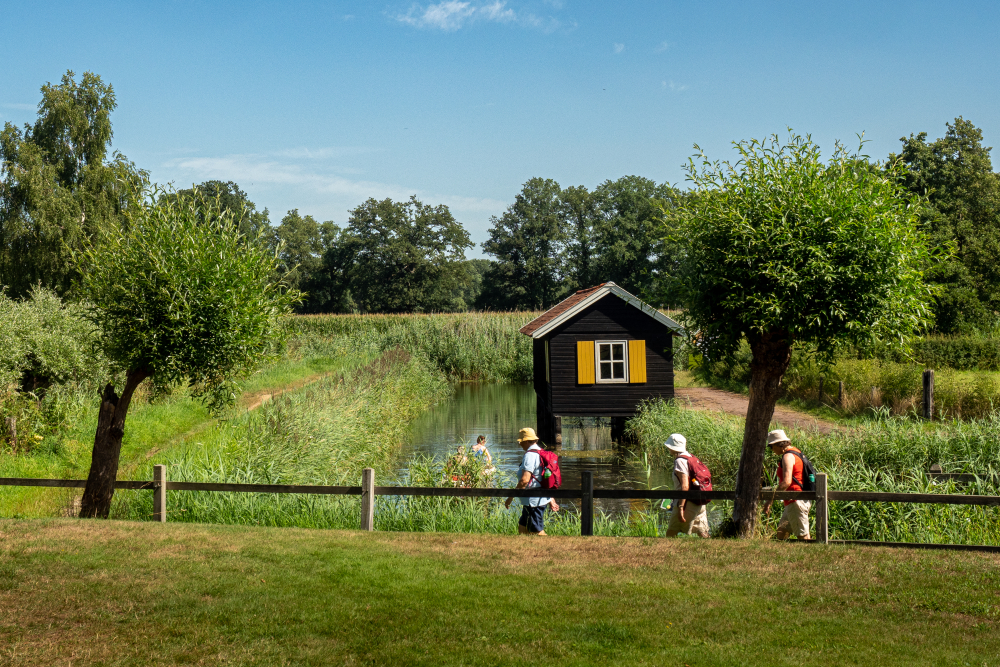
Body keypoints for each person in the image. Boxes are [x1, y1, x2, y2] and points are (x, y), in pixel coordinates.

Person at [504, 427, 559, 535]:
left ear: (527, 441)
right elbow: (542, 477)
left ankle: (551, 548)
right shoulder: (540, 452)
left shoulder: (530, 455)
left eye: (521, 442)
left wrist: (510, 497)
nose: (520, 444)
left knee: (536, 531)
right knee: (522, 528)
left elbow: (524, 480)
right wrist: (550, 498)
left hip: (533, 500)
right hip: (533, 499)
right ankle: (523, 549)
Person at [762, 429, 811, 540]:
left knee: (803, 536)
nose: (772, 450)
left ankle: (810, 556)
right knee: (781, 532)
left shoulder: (787, 457)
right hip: (795, 499)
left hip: (795, 500)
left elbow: (786, 482)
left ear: (778, 444)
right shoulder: (796, 452)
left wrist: (771, 498)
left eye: (771, 447)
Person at [663, 434, 710, 538]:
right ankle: (714, 551)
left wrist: (680, 507)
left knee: (671, 533)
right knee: (702, 532)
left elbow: (685, 486)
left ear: (672, 447)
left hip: (688, 503)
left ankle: (667, 553)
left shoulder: (680, 461)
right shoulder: (691, 457)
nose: (667, 448)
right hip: (699, 501)